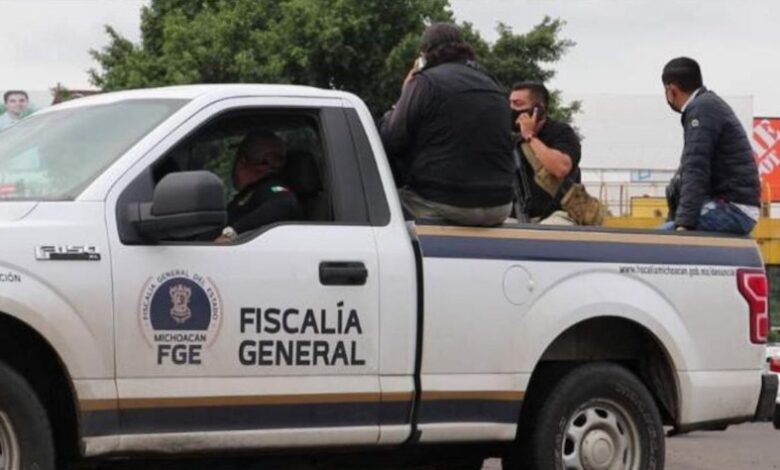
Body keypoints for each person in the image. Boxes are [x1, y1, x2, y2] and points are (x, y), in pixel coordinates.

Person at [379, 23, 514, 226]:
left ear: (423, 55)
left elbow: (391, 139)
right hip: (500, 206)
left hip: (443, 202)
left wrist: (404, 93)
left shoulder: (424, 82)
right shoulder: (491, 82)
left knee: (373, 205)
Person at [661, 57, 760, 235]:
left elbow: (696, 168)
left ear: (671, 90)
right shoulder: (707, 106)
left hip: (733, 209)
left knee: (658, 239)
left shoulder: (702, 110)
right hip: (733, 205)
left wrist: (684, 224)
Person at [509, 82, 582, 224]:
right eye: (510, 104)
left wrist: (530, 136)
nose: (512, 110)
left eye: (518, 104)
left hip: (558, 214)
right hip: (516, 216)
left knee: (551, 228)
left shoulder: (561, 132)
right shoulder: (511, 140)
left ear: (538, 110)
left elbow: (560, 168)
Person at [216, 131, 302, 242]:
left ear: (242, 161)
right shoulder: (250, 192)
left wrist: (229, 235)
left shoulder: (272, 187)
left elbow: (285, 204)